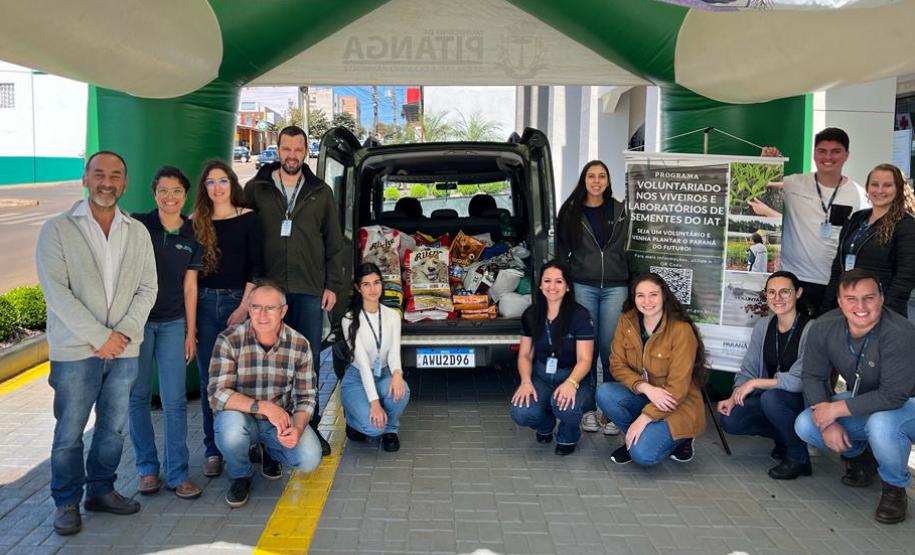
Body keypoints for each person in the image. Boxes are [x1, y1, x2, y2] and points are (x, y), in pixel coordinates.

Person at [36, 151, 158, 535]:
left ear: (125, 183)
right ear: (86, 178)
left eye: (116, 175)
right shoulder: (57, 229)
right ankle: (67, 501)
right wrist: (100, 337)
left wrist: (121, 335)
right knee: (70, 431)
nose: (108, 181)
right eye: (99, 173)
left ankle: (101, 491)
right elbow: (57, 293)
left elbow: (147, 288)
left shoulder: (136, 232)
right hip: (76, 352)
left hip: (124, 351)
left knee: (113, 428)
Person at [244, 125, 344, 456]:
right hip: (268, 295)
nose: (291, 155)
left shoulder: (320, 191)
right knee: (267, 364)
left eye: (298, 149)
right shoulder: (256, 188)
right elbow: (240, 234)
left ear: (306, 152)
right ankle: (265, 435)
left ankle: (309, 430)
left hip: (309, 289)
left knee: (308, 362)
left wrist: (331, 285)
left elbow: (334, 241)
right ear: (277, 149)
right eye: (286, 148)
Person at [796, 269, 915, 524]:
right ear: (839, 302)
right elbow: (813, 376)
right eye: (851, 299)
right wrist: (826, 419)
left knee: (881, 424)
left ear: (882, 298)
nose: (860, 306)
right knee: (806, 423)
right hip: (868, 399)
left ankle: (894, 489)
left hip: (907, 404)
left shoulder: (900, 331)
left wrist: (835, 411)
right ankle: (861, 457)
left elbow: (894, 396)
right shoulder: (824, 326)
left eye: (869, 298)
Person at [208, 281, 323, 508]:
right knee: (229, 430)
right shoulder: (229, 340)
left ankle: (270, 451)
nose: (261, 315)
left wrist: (297, 429)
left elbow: (306, 396)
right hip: (243, 419)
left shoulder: (299, 344)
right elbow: (217, 394)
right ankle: (241, 475)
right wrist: (265, 407)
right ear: (248, 309)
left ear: (284, 311)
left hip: (278, 423)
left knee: (310, 458)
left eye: (270, 308)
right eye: (256, 307)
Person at [128, 166, 204, 500]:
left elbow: (190, 286)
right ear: (154, 193)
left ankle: (178, 474)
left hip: (174, 323)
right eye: (163, 190)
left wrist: (190, 331)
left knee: (174, 401)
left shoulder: (192, 232)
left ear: (185, 195)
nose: (169, 197)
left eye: (176, 191)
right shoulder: (139, 225)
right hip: (138, 324)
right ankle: (146, 469)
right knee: (138, 397)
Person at [192, 159, 264, 479]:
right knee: (212, 381)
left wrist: (244, 307)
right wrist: (190, 321)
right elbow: (190, 277)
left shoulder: (249, 219)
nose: (217, 188)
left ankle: (249, 441)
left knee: (246, 377)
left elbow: (257, 266)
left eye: (222, 181)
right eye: (211, 182)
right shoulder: (196, 222)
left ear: (232, 183)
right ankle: (213, 449)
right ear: (204, 188)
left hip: (240, 302)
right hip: (206, 307)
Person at [597, 273, 706, 466]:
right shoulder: (627, 320)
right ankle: (636, 436)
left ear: (664, 295)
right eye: (640, 295)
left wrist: (644, 418)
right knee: (605, 393)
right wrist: (644, 387)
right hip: (647, 394)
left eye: (653, 294)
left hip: (676, 403)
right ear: (633, 297)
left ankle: (682, 438)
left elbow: (677, 390)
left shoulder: (681, 329)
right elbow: (616, 363)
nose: (647, 301)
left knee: (643, 455)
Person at [758, 128, 868, 317]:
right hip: (794, 280)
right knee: (793, 339)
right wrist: (767, 162)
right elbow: (760, 186)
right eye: (822, 151)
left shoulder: (859, 195)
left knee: (825, 341)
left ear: (846, 155)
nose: (828, 157)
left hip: (834, 283)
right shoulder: (794, 184)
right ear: (814, 153)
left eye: (836, 151)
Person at [556, 160, 629, 437]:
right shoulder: (571, 211)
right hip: (583, 285)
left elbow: (630, 249)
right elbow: (561, 252)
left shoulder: (621, 211)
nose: (596, 181)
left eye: (602, 176)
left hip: (615, 286)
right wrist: (564, 286)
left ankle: (611, 412)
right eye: (591, 176)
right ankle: (586, 410)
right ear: (584, 180)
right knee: (585, 349)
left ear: (608, 181)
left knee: (611, 350)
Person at [717, 271, 812, 479]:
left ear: (798, 293)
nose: (777, 298)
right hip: (772, 400)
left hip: (801, 402)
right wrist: (735, 396)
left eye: (785, 292)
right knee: (731, 419)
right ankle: (784, 438)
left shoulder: (810, 329)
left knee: (772, 397)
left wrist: (757, 383)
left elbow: (801, 380)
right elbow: (749, 368)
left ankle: (799, 458)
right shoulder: (763, 325)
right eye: (772, 292)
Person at [510, 260, 594, 456]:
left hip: (573, 375)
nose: (552, 287)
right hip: (541, 376)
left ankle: (569, 433)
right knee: (521, 412)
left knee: (565, 407)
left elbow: (585, 360)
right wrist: (525, 381)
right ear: (540, 285)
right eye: (547, 281)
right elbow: (524, 355)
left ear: (567, 287)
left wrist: (571, 383)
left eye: (559, 281)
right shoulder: (531, 314)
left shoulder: (580, 315)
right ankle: (545, 422)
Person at [822, 163, 915, 317]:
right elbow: (838, 267)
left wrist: (882, 312)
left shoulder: (906, 225)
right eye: (875, 184)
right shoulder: (857, 218)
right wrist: (827, 307)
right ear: (867, 187)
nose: (879, 190)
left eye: (887, 185)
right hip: (847, 306)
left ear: (898, 189)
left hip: (879, 312)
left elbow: (905, 277)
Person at [339, 263, 410, 452]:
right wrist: (374, 404)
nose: (373, 289)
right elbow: (362, 365)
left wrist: (397, 373)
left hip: (383, 372)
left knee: (402, 391)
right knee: (371, 428)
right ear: (357, 288)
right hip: (357, 378)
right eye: (366, 284)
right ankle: (353, 420)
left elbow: (394, 352)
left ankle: (391, 430)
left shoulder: (393, 316)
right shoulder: (349, 319)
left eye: (377, 283)